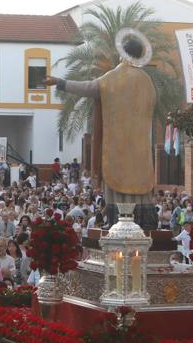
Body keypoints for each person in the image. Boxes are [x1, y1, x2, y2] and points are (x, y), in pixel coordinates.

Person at [45, 33, 157, 230]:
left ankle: (119, 222)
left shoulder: (115, 76)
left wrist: (60, 82)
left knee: (117, 179)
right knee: (139, 180)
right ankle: (145, 221)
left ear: (123, 54)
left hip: (118, 144)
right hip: (140, 147)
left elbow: (89, 87)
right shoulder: (147, 80)